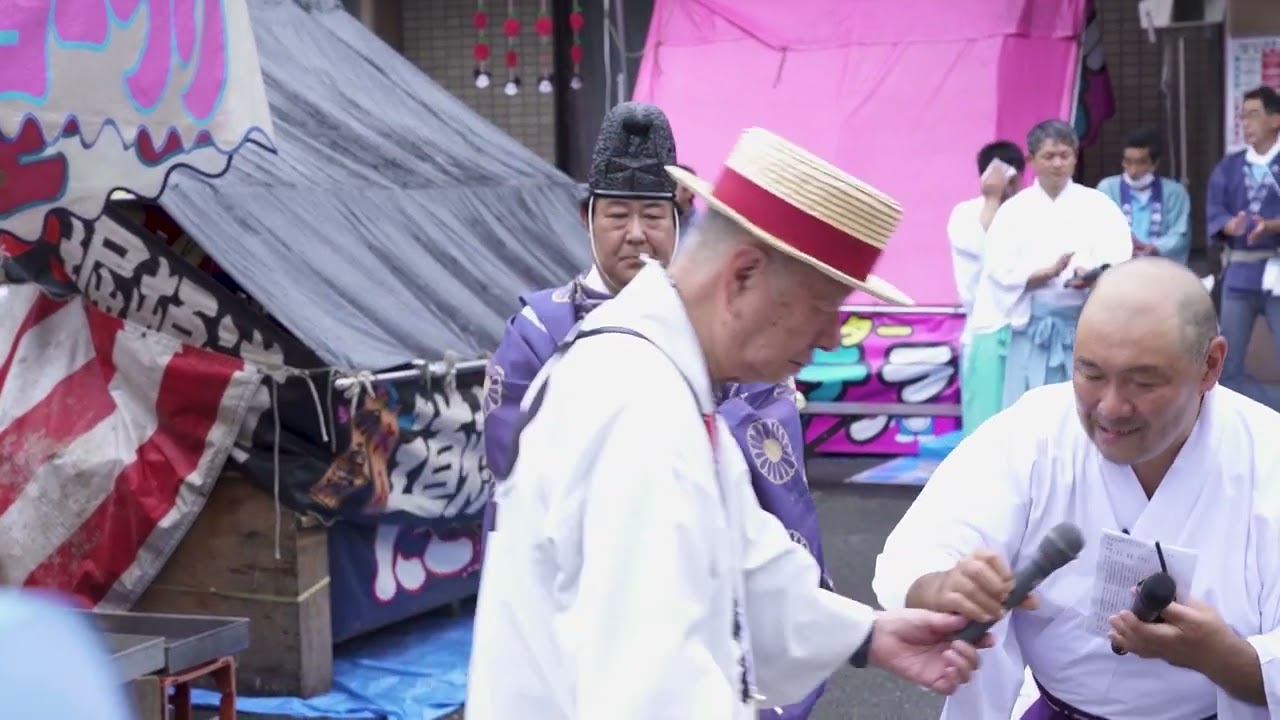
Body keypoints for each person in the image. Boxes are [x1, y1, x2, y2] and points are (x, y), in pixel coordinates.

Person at [468, 127, 984, 719]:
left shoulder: (663, 372)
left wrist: (868, 635)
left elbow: (748, 560)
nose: (831, 337)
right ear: (740, 278)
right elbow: (654, 691)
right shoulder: (642, 409)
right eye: (824, 307)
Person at [482, 105, 837, 719]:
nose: (637, 234)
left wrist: (855, 634)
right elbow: (517, 484)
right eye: (617, 215)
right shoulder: (544, 329)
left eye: (653, 215)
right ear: (587, 218)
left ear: (680, 219)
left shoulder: (722, 335)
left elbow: (768, 512)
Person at [873, 256, 1280, 719]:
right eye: (1091, 374)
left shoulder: (1268, 456)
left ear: (1210, 364)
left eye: (1142, 381)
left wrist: (1222, 658)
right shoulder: (1036, 431)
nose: (1110, 407)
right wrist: (944, 587)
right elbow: (921, 548)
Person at [966, 119, 1133, 415]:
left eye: (1064, 155)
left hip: (1083, 326)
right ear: (1031, 159)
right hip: (1034, 327)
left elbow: (1118, 258)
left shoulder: (1098, 205)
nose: (1057, 163)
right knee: (1029, 409)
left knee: (1082, 409)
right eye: (1048, 156)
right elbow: (998, 269)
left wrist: (1093, 276)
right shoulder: (1013, 211)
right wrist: (1037, 276)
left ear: (1075, 156)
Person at [1206, 85, 1280, 408]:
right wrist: (1227, 224)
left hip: (1277, 267)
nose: (1246, 122)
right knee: (1227, 360)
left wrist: (1272, 226)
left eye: (1253, 114)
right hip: (1239, 269)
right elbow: (1215, 209)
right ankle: (1257, 412)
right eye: (1243, 115)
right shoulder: (1230, 166)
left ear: (1275, 119)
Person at [947, 139, 1025, 432]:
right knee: (985, 422)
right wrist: (992, 198)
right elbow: (984, 250)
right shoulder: (965, 213)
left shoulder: (1026, 213)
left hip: (1024, 329)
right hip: (984, 328)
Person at [1097, 127, 1192, 265]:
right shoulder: (1107, 188)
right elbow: (1099, 228)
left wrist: (1155, 248)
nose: (1133, 170)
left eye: (1141, 162)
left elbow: (1181, 234)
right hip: (1118, 268)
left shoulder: (1175, 192)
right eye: (1128, 161)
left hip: (1160, 268)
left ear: (1155, 163)